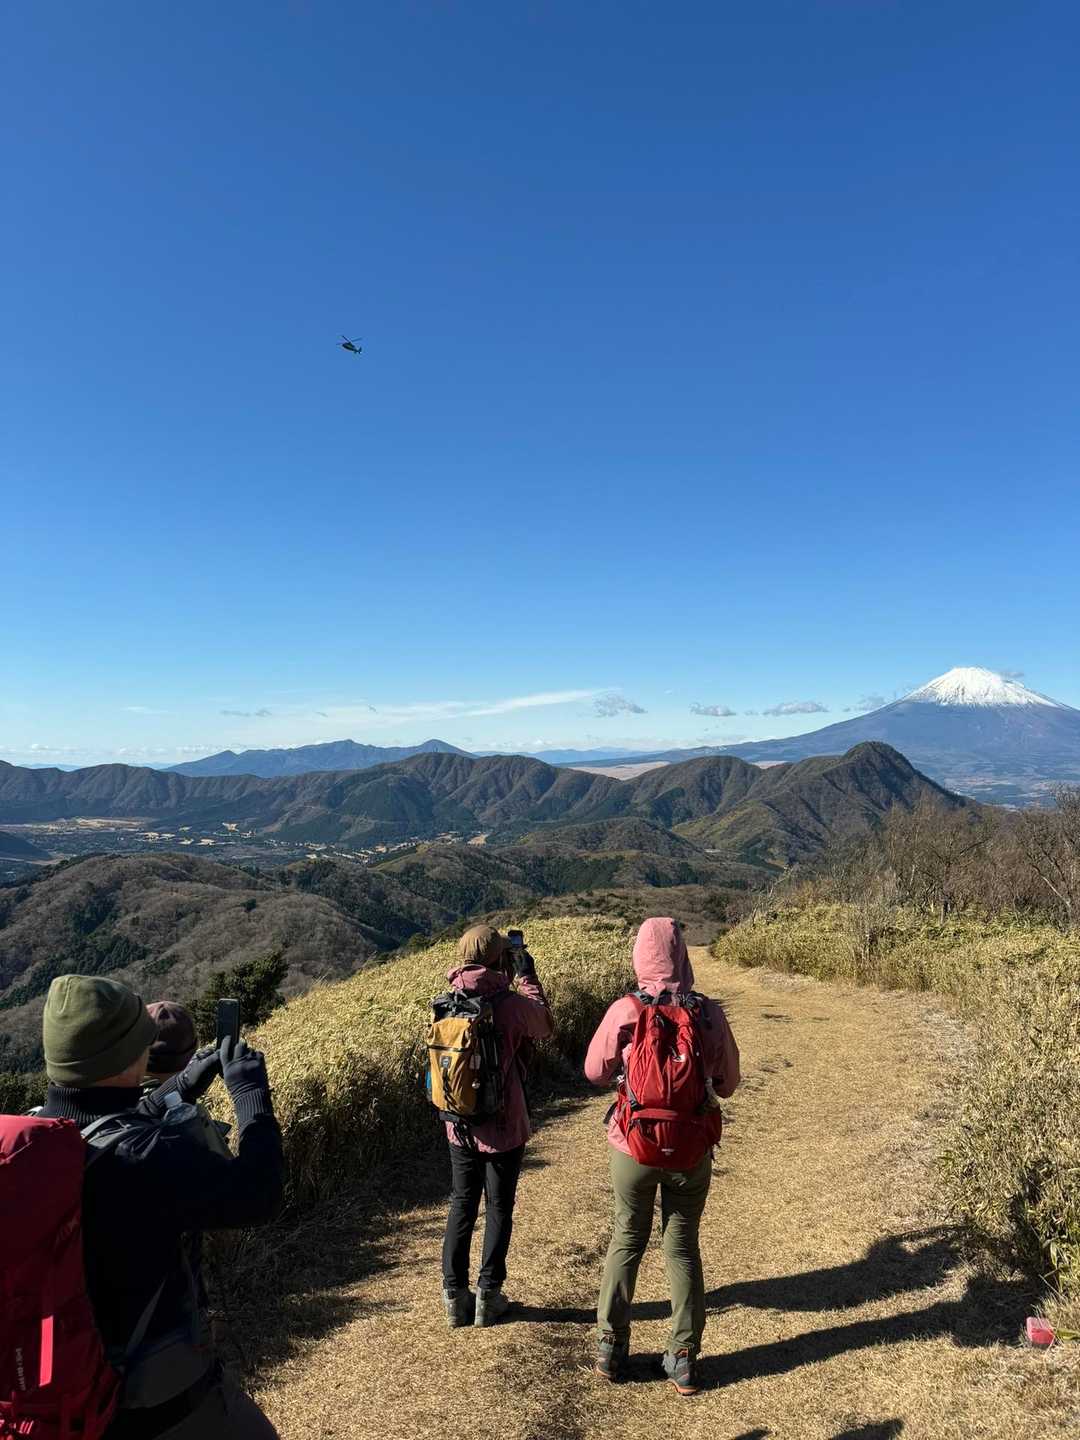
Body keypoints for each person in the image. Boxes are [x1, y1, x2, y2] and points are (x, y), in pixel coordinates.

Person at [38, 973, 284, 1438]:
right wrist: (251, 1095)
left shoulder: (38, 1139)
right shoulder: (150, 1155)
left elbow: (104, 1121)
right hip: (158, 1404)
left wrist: (181, 1086)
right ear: (129, 1055)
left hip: (63, 1394)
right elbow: (258, 1194)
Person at [584, 917, 739, 1396]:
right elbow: (728, 1085)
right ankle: (683, 1357)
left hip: (632, 1145)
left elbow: (593, 1071)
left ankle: (610, 1347)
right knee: (682, 1246)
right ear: (683, 957)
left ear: (640, 957)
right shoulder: (708, 1014)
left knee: (627, 1238)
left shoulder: (627, 1010)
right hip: (690, 1147)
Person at [439, 924, 554, 1328]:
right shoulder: (509, 1003)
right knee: (499, 1206)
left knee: (462, 1203)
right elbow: (544, 1024)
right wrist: (528, 977)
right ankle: (488, 1295)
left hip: (458, 1122)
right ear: (500, 959)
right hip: (503, 1124)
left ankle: (454, 1298)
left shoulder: (449, 1001)